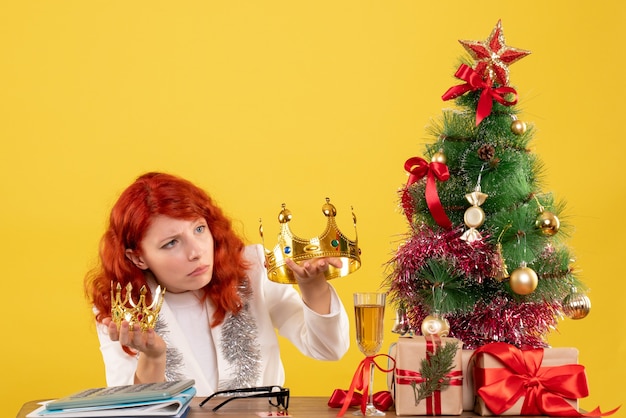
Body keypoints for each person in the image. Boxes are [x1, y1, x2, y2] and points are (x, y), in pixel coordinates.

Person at [84, 172, 350, 396]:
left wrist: (313, 286)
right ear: (138, 257)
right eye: (171, 243)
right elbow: (132, 410)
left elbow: (328, 348)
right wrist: (152, 358)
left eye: (199, 229)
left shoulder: (252, 268)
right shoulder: (120, 309)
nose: (196, 252)